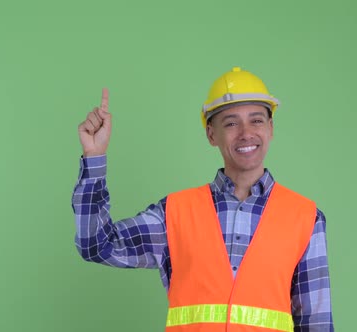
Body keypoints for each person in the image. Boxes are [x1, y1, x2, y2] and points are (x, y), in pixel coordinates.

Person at [72, 67, 333, 331]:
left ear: (270, 128)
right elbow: (97, 245)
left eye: (256, 120)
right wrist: (94, 157)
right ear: (211, 134)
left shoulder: (306, 218)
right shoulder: (174, 213)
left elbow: (316, 323)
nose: (246, 132)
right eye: (231, 123)